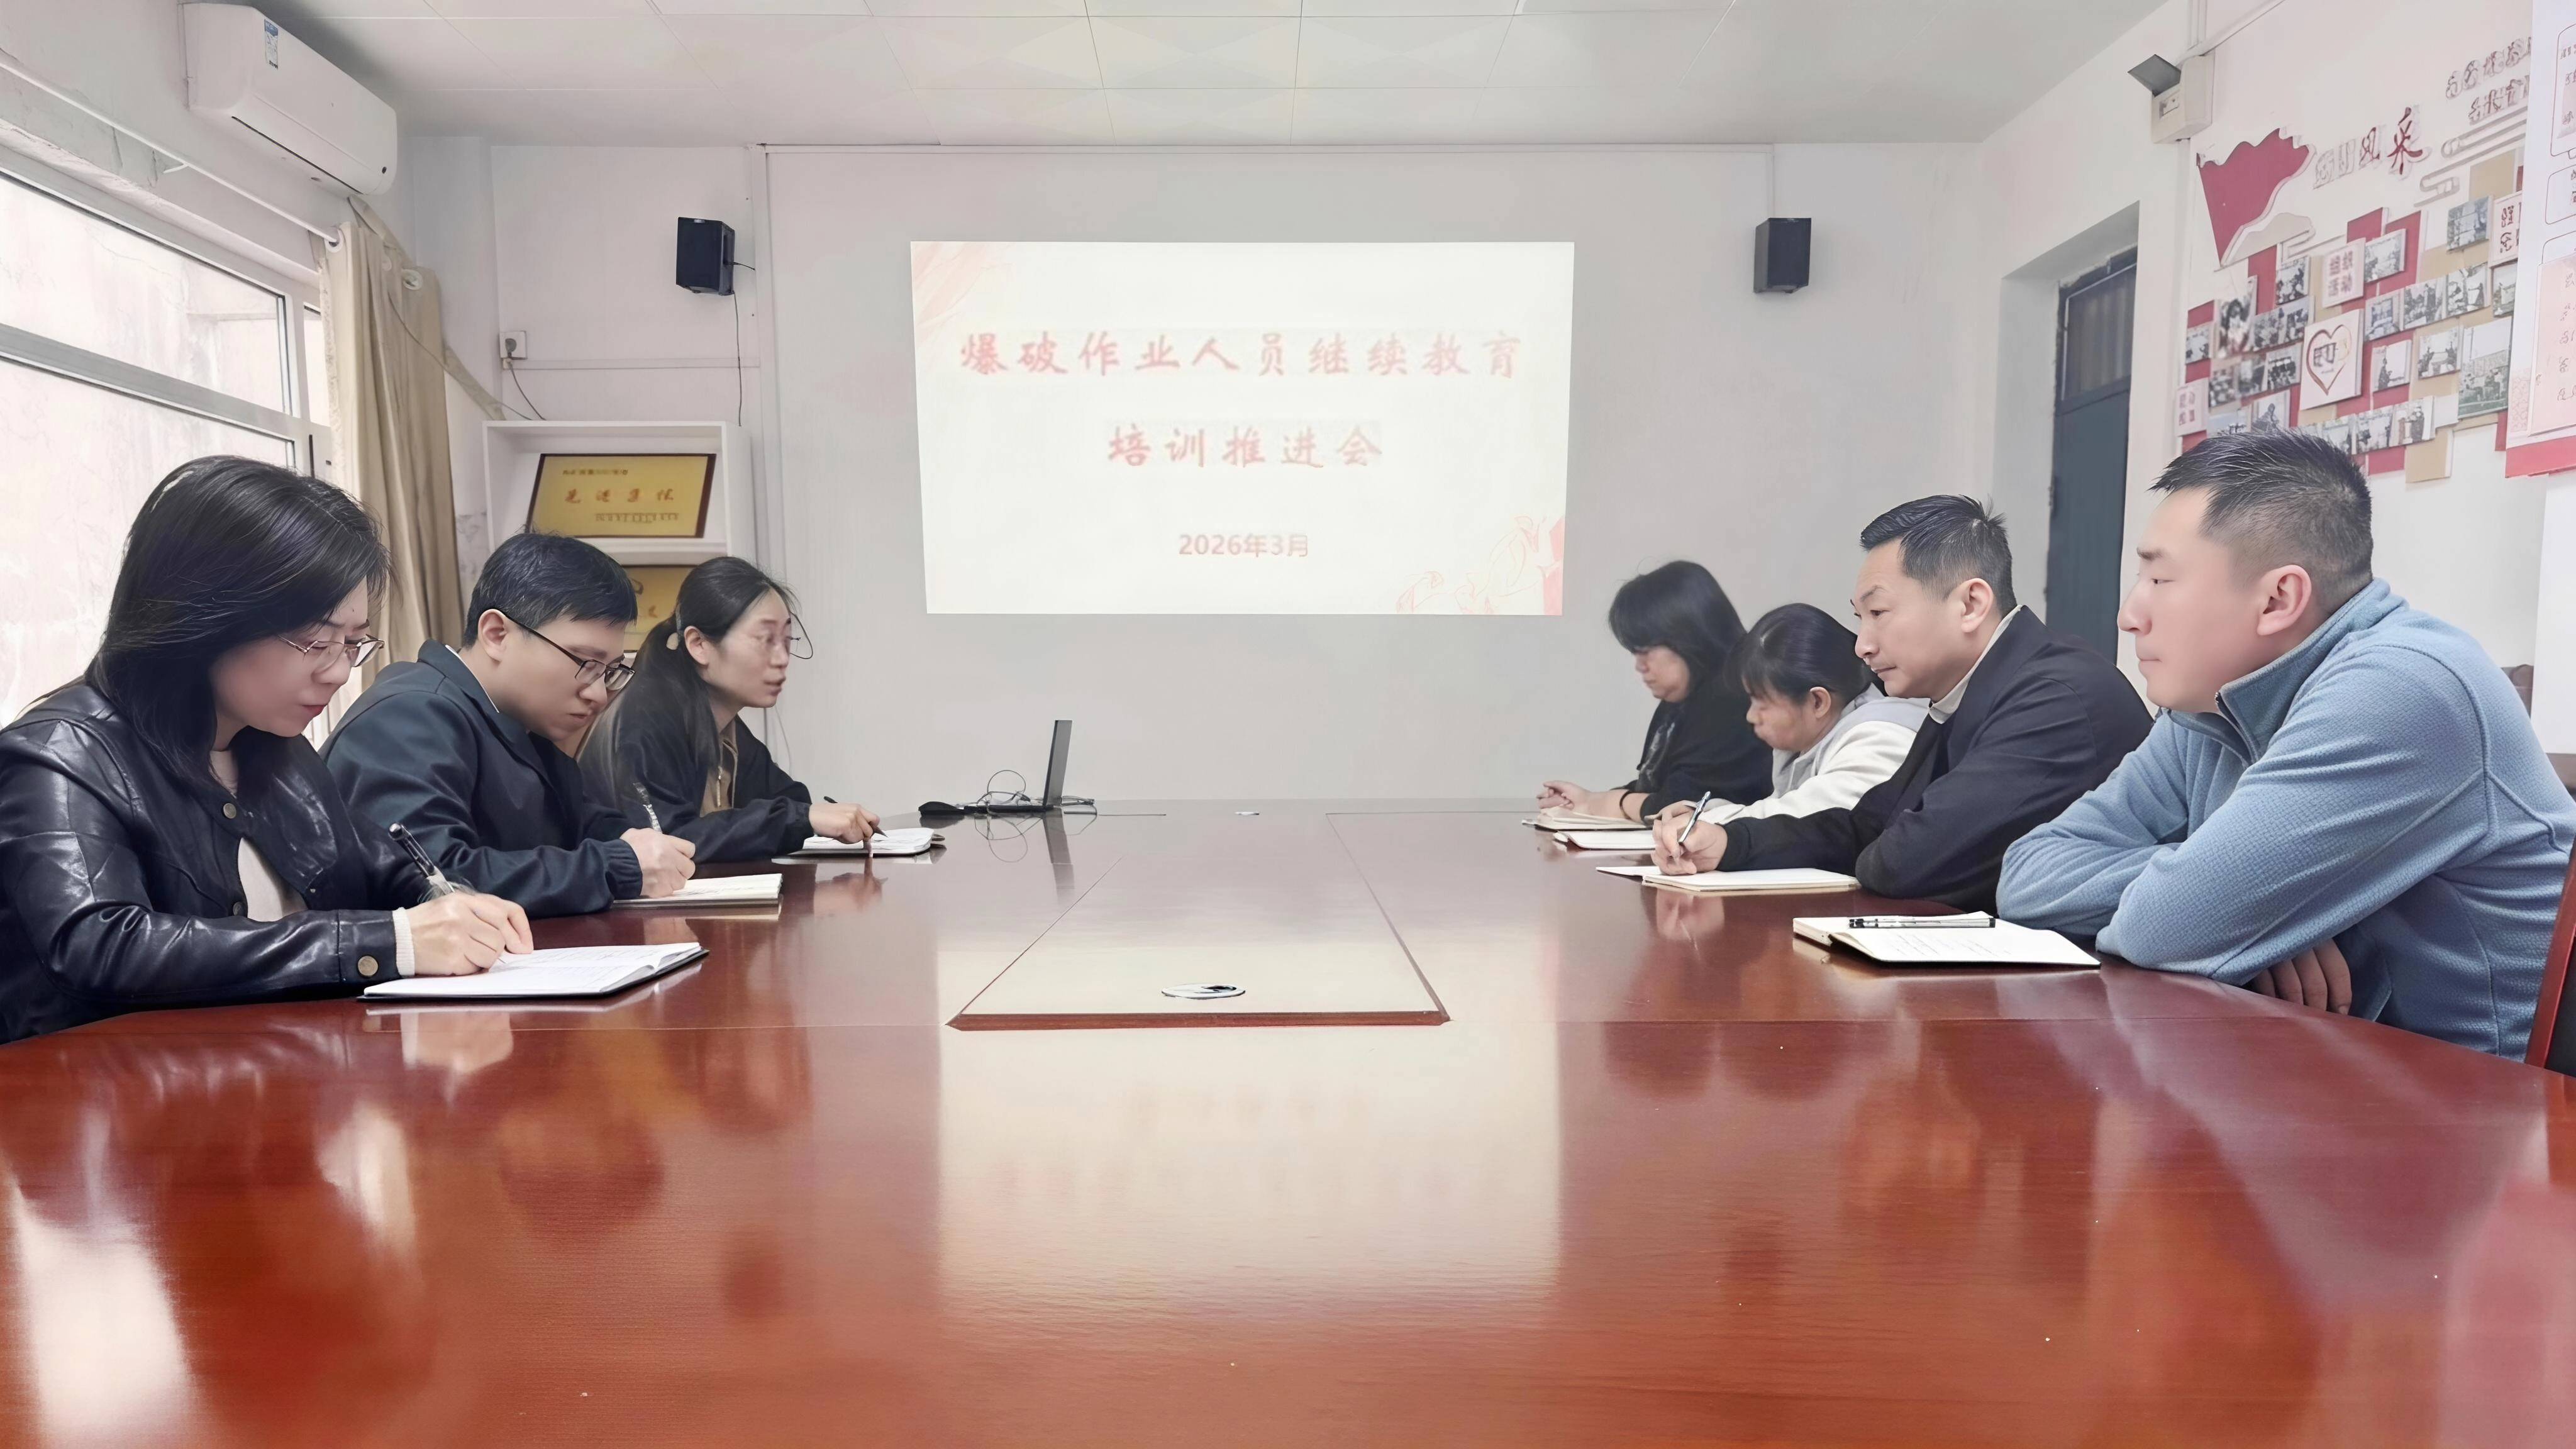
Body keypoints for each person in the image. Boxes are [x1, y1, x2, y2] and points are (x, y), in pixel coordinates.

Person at [1999, 431, 2576, 1058]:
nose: (2129, 615)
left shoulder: (2402, 687)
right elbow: (2027, 876)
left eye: (2160, 579)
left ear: (2278, 599)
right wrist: (2241, 899)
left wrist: (2226, 901)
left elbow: (2163, 928)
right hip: (2328, 1062)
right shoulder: (2211, 703)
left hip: (2490, 1097)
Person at [0, 457, 528, 1043]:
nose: (338, 672)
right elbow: (100, 946)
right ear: (204, 619)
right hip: (108, 1088)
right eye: (315, 642)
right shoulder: (59, 757)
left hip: (283, 1072)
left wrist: (450, 904)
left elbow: (384, 868)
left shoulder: (277, 748)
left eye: (353, 643)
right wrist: (390, 942)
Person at [1650, 496, 2150, 909]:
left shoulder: (2054, 699)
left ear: (1971, 604)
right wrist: (1732, 843)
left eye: (1879, 613)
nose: (1862, 646)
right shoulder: (1964, 694)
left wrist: (1874, 847)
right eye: (1860, 618)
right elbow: (1865, 825)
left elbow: (1903, 862)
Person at [324, 533, 696, 918]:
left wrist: (633, 844)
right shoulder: (410, 715)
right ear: (497, 635)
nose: (599, 694)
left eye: (610, 670)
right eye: (585, 663)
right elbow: (434, 883)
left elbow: (579, 825)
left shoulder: (517, 722)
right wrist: (615, 865)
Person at [582, 556, 879, 860]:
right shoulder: (645, 721)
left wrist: (811, 815)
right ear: (699, 644)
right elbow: (668, 845)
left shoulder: (724, 726)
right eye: (765, 640)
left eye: (787, 640)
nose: (782, 659)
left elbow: (788, 800)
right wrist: (801, 817)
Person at [1539, 561, 1770, 823]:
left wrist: (1609, 803)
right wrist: (1589, 801)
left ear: (1689, 636)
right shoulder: (1683, 698)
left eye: (1646, 651)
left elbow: (1678, 805)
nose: (1640, 666)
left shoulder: (1735, 699)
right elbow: (1658, 787)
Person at [1695, 602, 1926, 823]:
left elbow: (1798, 821)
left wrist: (1705, 822)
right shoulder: (1819, 737)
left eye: (1761, 702)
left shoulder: (1879, 738)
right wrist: (1702, 814)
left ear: (1817, 702)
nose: (1751, 716)